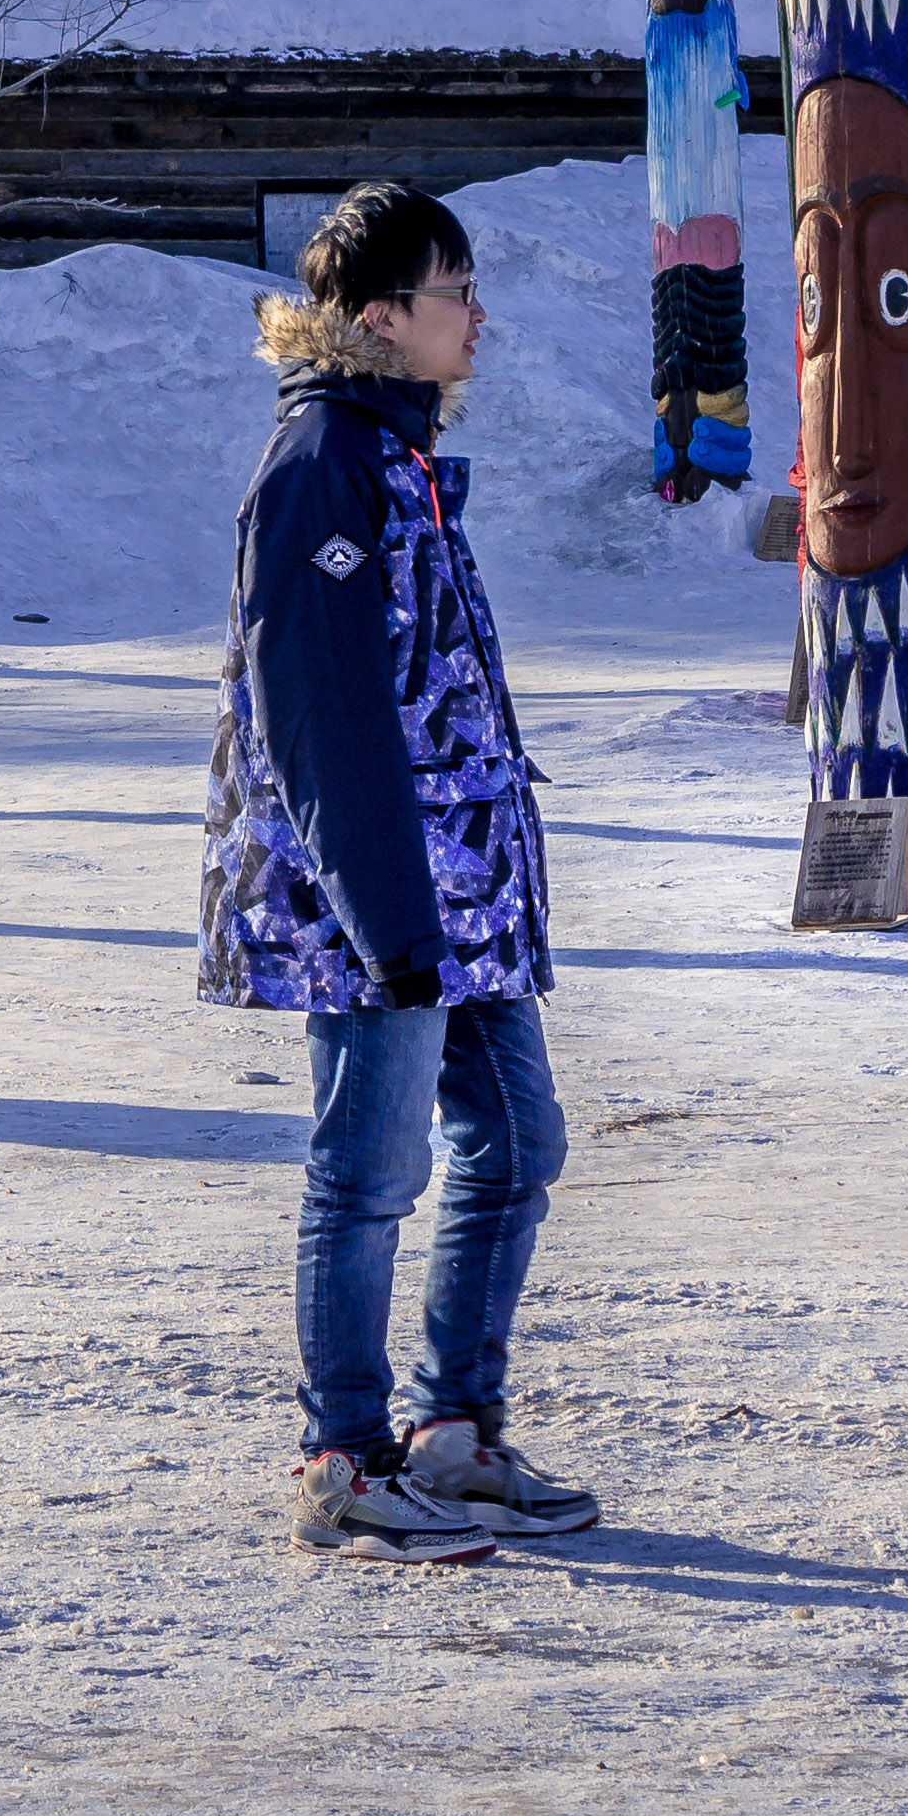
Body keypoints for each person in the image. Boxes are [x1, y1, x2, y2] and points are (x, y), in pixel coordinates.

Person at [204, 182, 594, 1558]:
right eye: (455, 293)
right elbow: (319, 715)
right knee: (369, 1171)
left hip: (461, 891)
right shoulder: (324, 465)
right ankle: (344, 1458)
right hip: (383, 902)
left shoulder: (397, 455)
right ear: (382, 318)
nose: (477, 316)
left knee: (517, 1141)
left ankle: (454, 1431)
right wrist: (387, 921)